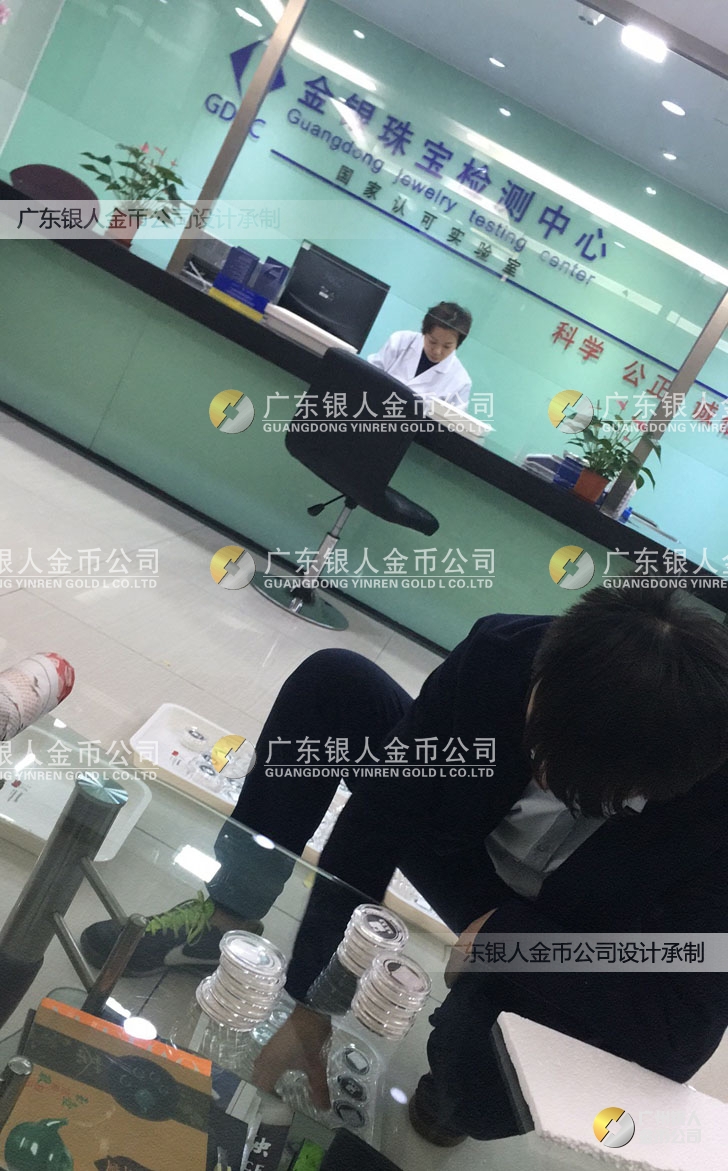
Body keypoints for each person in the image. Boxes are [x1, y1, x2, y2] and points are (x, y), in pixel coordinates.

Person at [81, 587, 728, 1146]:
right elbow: (381, 814)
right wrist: (315, 997)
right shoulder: (509, 653)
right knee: (335, 684)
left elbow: (680, 1029)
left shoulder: (710, 794)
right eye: (536, 742)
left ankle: (454, 1086)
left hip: (563, 920)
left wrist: (516, 943)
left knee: (472, 1083)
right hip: (458, 844)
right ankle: (225, 913)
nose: (537, 771)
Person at [367, 301, 473, 410]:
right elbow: (368, 376)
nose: (437, 351)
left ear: (457, 344)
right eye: (432, 342)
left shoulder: (460, 382)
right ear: (424, 332)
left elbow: (452, 420)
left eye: (447, 346)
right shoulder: (400, 341)